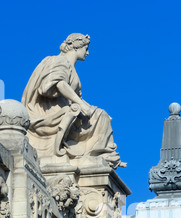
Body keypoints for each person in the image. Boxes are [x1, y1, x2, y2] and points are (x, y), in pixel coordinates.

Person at [22, 33, 126, 169]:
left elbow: (76, 97)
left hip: (67, 108)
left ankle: (106, 156)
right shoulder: (58, 61)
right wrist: (83, 105)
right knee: (100, 116)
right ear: (77, 47)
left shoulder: (71, 68)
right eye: (86, 48)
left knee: (101, 115)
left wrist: (88, 107)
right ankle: (101, 155)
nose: (88, 53)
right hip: (49, 111)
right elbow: (58, 84)